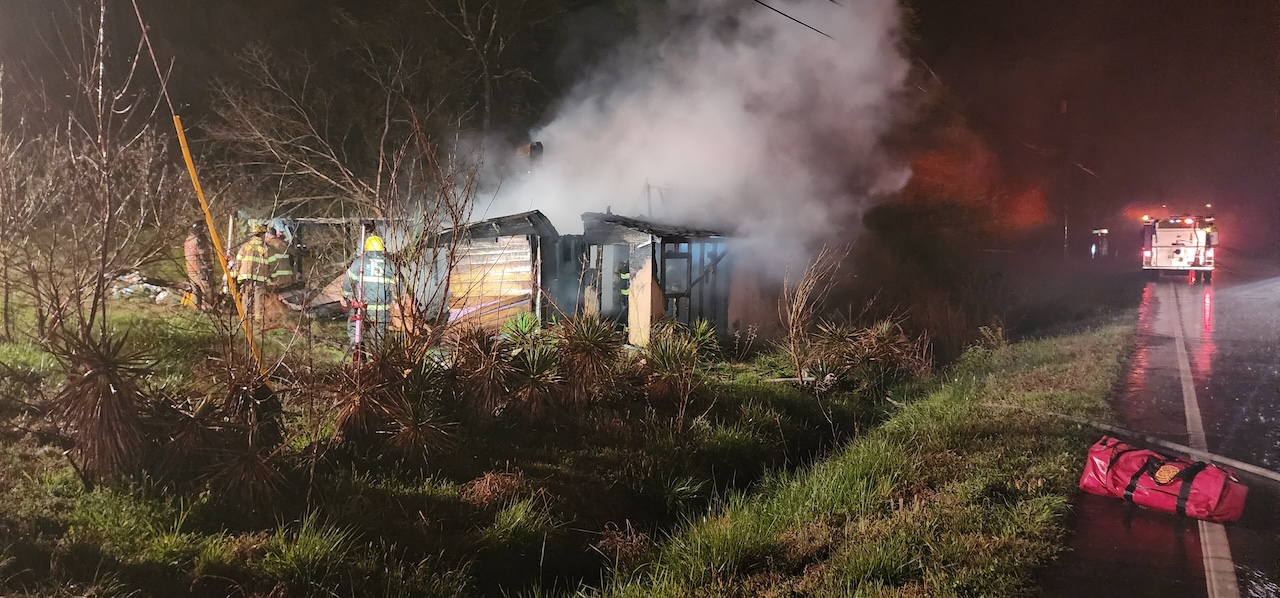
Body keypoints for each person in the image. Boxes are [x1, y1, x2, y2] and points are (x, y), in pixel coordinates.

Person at [341, 233, 399, 358]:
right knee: (378, 340)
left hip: (361, 308)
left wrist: (346, 296)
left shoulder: (359, 263)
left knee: (355, 330)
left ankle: (358, 354)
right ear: (382, 249)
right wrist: (396, 301)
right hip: (381, 311)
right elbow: (398, 285)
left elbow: (348, 281)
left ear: (366, 249)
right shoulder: (389, 264)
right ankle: (376, 363)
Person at [231, 223, 272, 324]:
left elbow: (238, 261)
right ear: (262, 234)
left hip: (245, 275)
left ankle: (245, 316)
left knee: (246, 295)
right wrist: (271, 277)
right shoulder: (266, 248)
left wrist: (234, 274)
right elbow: (270, 263)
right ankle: (258, 317)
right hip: (260, 276)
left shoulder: (246, 246)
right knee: (258, 296)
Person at [183, 221, 213, 310]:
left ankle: (196, 308)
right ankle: (207, 309)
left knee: (195, 290)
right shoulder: (200, 239)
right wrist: (208, 267)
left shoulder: (188, 239)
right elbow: (203, 254)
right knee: (206, 289)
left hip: (190, 268)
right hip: (200, 269)